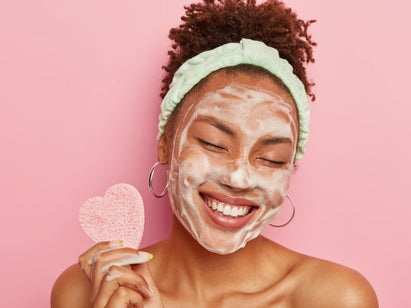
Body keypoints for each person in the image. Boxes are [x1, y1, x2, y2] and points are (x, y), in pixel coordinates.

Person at [51, 0, 379, 307]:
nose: (239, 177)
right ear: (165, 143)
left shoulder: (335, 298)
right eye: (213, 143)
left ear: (290, 169)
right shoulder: (87, 291)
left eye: (271, 158)